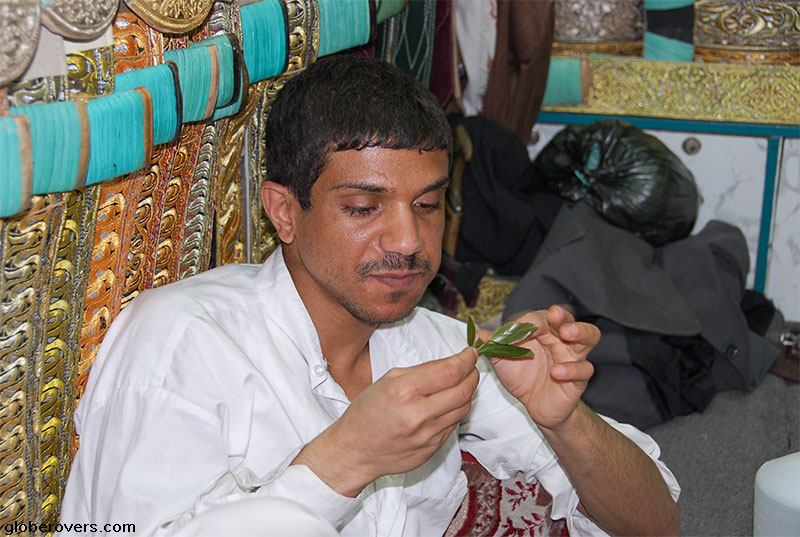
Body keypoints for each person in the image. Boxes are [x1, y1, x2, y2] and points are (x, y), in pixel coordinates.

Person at [58, 55, 680, 537]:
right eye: (363, 207)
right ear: (284, 212)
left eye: (427, 205)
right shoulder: (183, 345)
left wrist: (564, 421)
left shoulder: (433, 347)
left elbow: (656, 524)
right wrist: (344, 460)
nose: (408, 241)